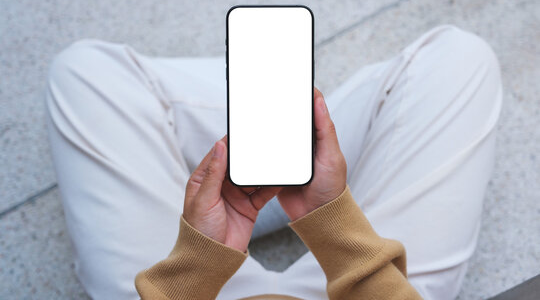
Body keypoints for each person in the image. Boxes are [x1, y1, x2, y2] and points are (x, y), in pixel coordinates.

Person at [46, 24, 503, 299]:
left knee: (83, 72)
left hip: (193, 290)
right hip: (367, 290)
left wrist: (197, 263)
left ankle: (264, 171)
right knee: (459, 56)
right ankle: (283, 166)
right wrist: (332, 223)